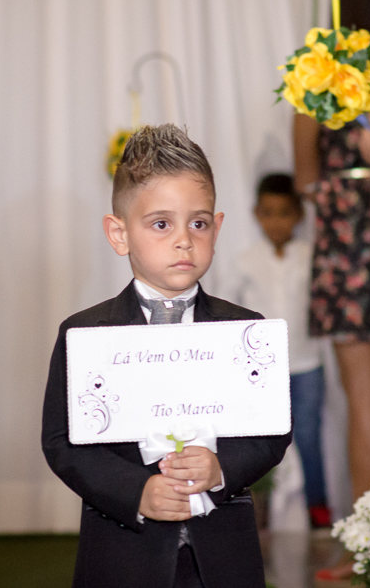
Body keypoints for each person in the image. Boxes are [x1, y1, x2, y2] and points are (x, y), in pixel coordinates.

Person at [41, 124, 291, 588]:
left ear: (216, 229)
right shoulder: (85, 333)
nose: (183, 240)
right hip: (123, 554)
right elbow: (62, 443)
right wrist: (136, 491)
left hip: (222, 556)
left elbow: (272, 430)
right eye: (161, 224)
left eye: (197, 223)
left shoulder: (245, 330)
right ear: (119, 234)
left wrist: (222, 468)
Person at [293, 0, 370, 583]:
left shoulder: (320, 76)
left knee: (365, 399)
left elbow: (306, 178)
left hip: (346, 248)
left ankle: (368, 547)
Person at [221, 173, 328, 529]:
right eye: (268, 212)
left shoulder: (312, 256)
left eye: (284, 212)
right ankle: (259, 510)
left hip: (306, 362)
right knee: (259, 440)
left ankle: (318, 508)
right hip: (261, 370)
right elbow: (226, 311)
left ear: (298, 214)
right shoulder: (245, 261)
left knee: (309, 436)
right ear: (256, 214)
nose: (276, 221)